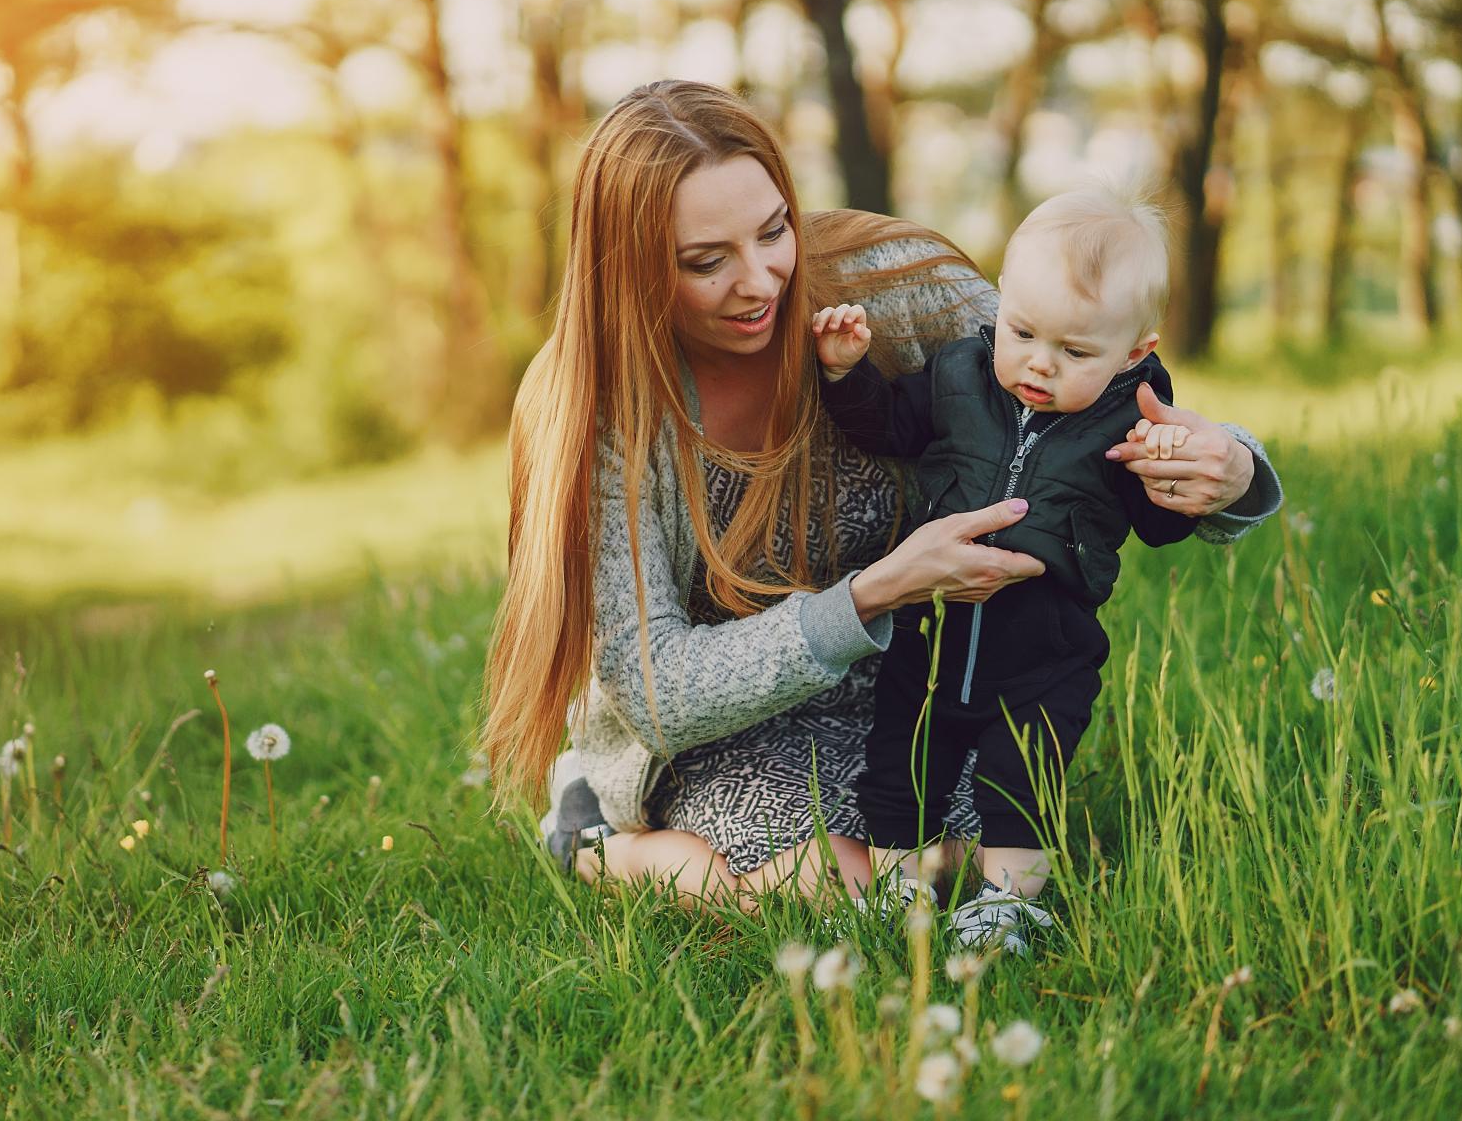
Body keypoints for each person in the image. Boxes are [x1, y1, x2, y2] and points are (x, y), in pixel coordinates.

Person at [479, 81, 1281, 927]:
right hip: (718, 731)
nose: (761, 282)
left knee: (979, 867)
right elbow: (660, 690)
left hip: (910, 684)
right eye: (706, 261)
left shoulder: (893, 288)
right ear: (631, 269)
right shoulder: (602, 413)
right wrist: (877, 592)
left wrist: (1232, 469)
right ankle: (602, 841)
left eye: (775, 230)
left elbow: (1083, 370)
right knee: (840, 889)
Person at [811, 183, 1216, 952]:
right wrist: (845, 375)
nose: (1039, 365)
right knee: (900, 766)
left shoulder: (1132, 419)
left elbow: (1159, 528)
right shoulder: (962, 373)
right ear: (1001, 303)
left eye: (1076, 352)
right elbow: (888, 427)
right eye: (1024, 333)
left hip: (1045, 651)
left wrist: (1172, 479)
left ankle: (1010, 905)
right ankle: (900, 893)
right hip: (928, 636)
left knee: (1020, 778)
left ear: (1136, 352)